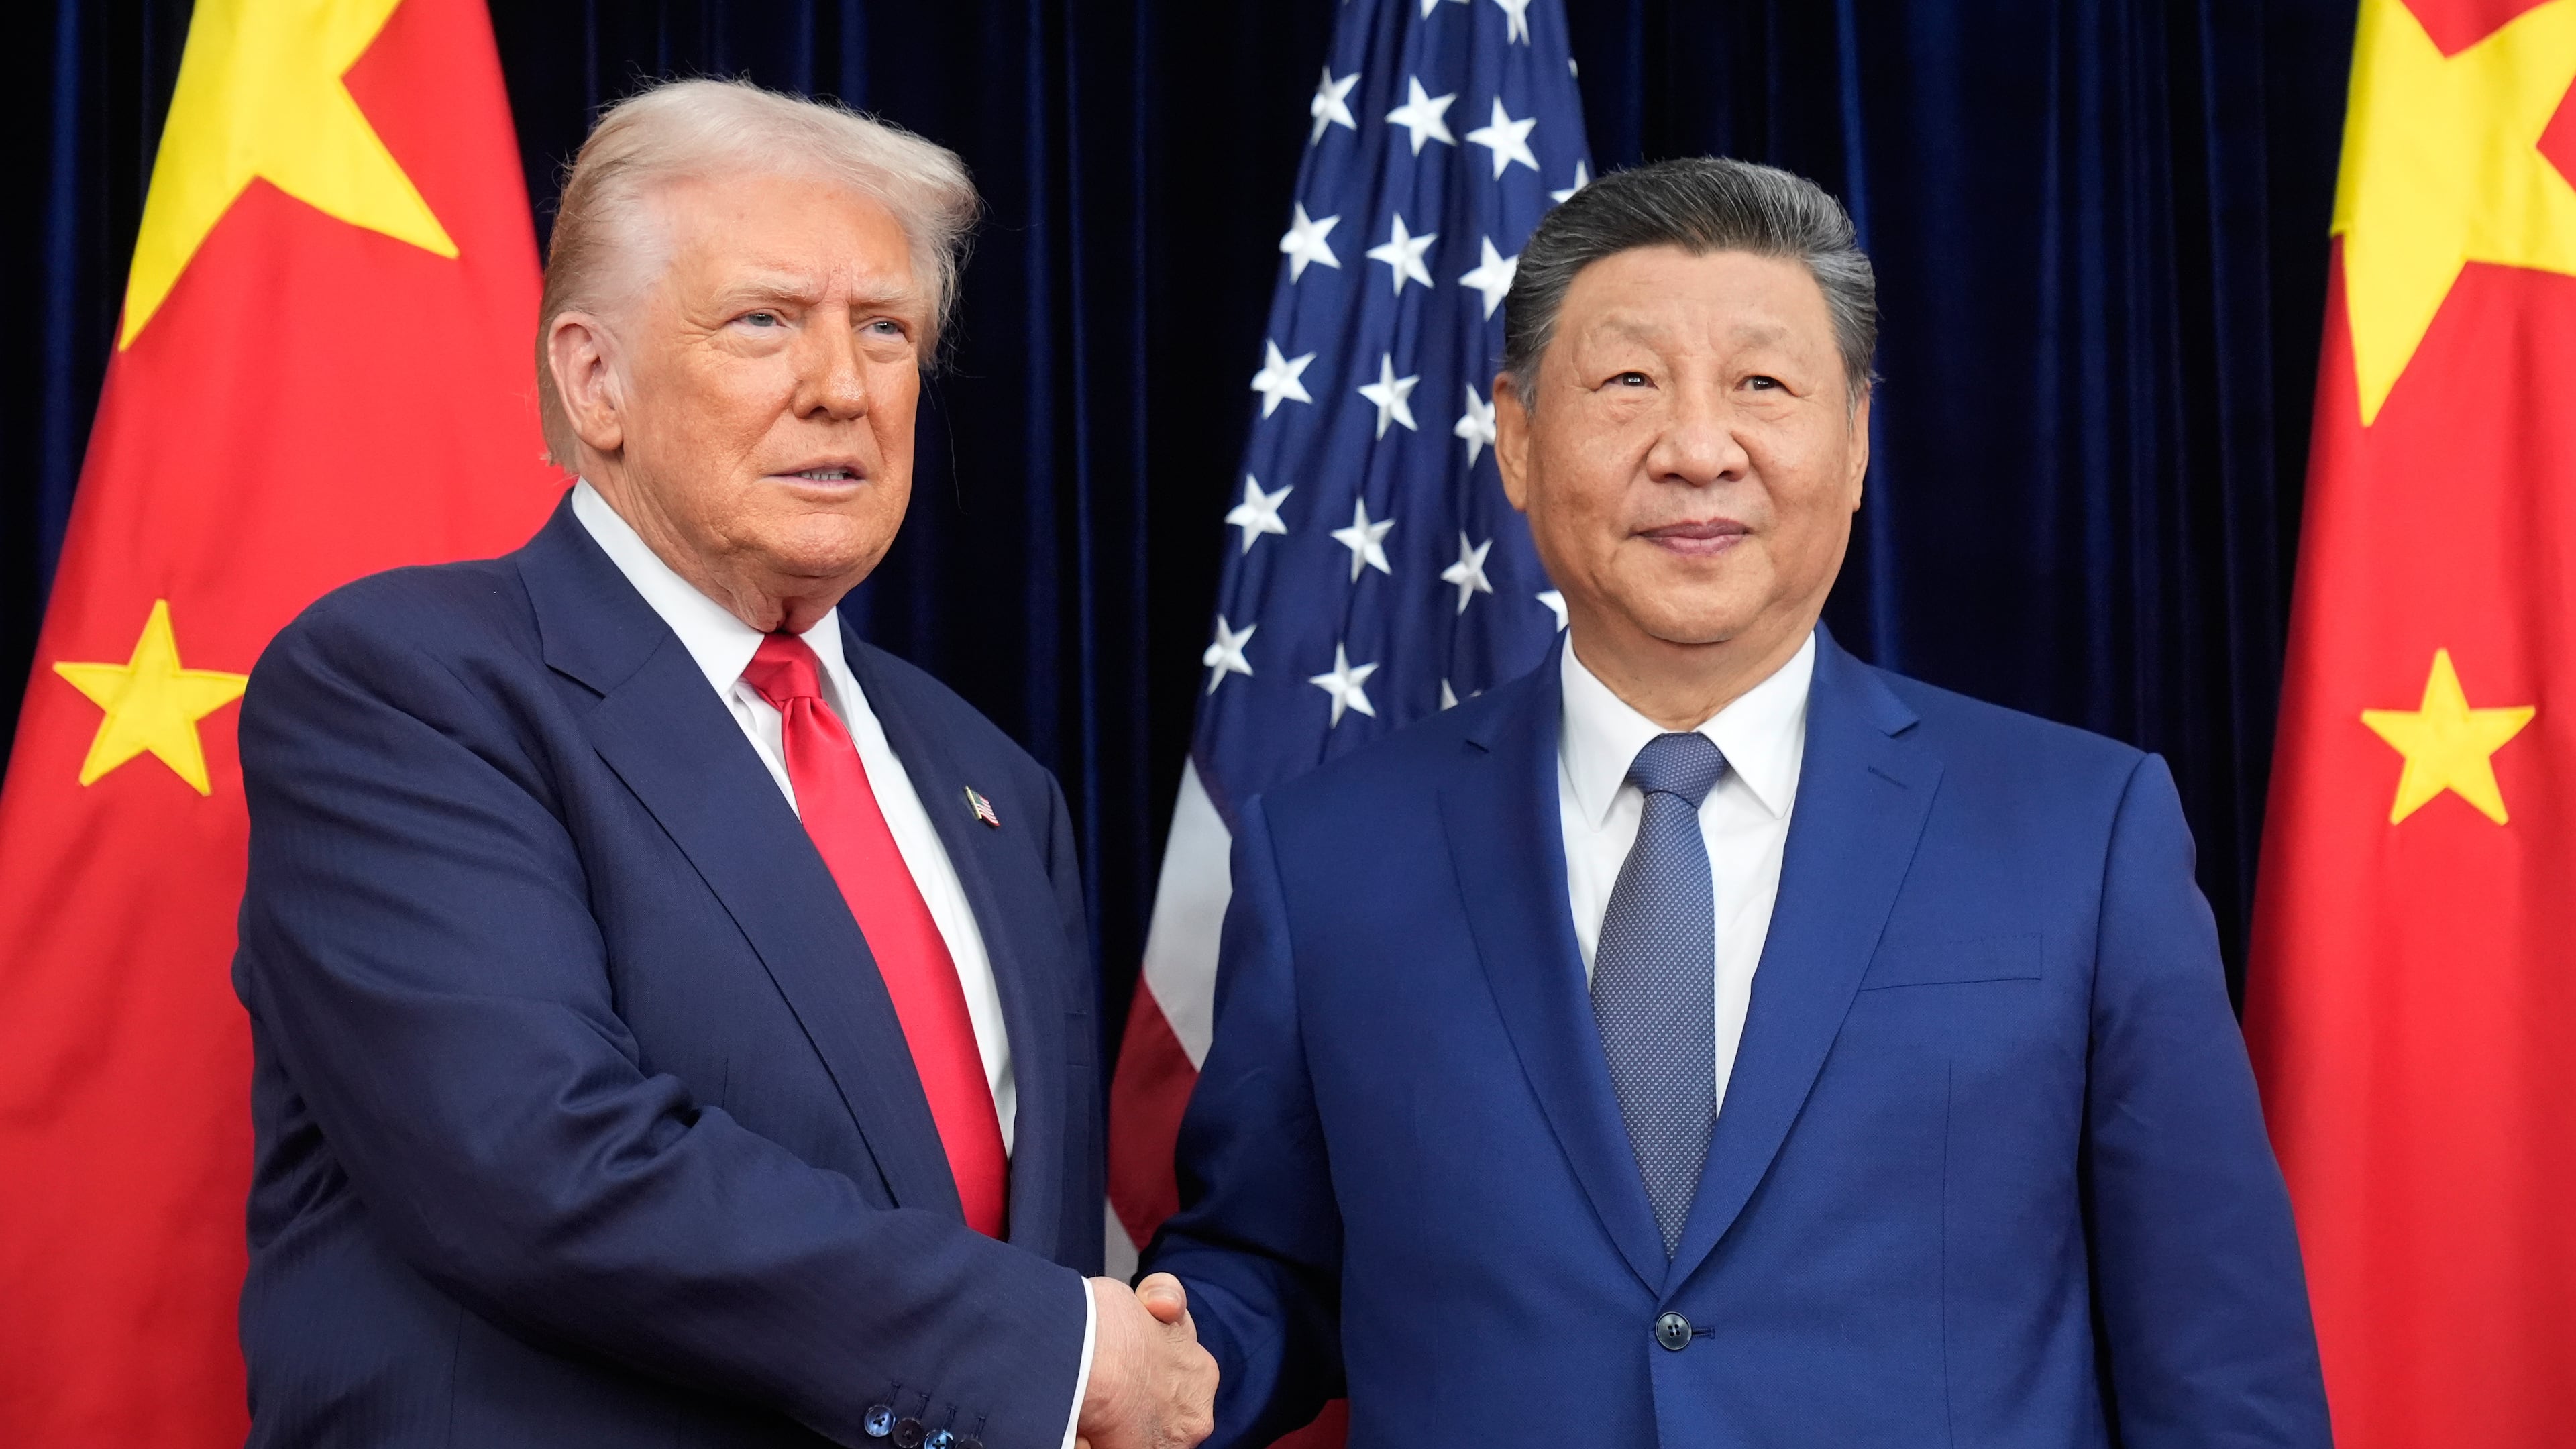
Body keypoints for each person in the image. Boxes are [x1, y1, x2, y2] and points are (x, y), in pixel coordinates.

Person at [1143, 158, 2330, 1447]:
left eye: (1763, 385)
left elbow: (2219, 1364)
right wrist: (1135, 1372)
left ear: (1859, 439)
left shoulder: (2081, 835)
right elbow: (1272, 1270)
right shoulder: (1327, 860)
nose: (1699, 450)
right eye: (1629, 384)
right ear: (1520, 438)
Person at [232, 80, 1212, 1449]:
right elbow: (535, 1162)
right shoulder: (407, 688)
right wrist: (1053, 1352)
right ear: (594, 379)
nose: (842, 386)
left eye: (885, 330)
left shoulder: (992, 785)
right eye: (765, 322)